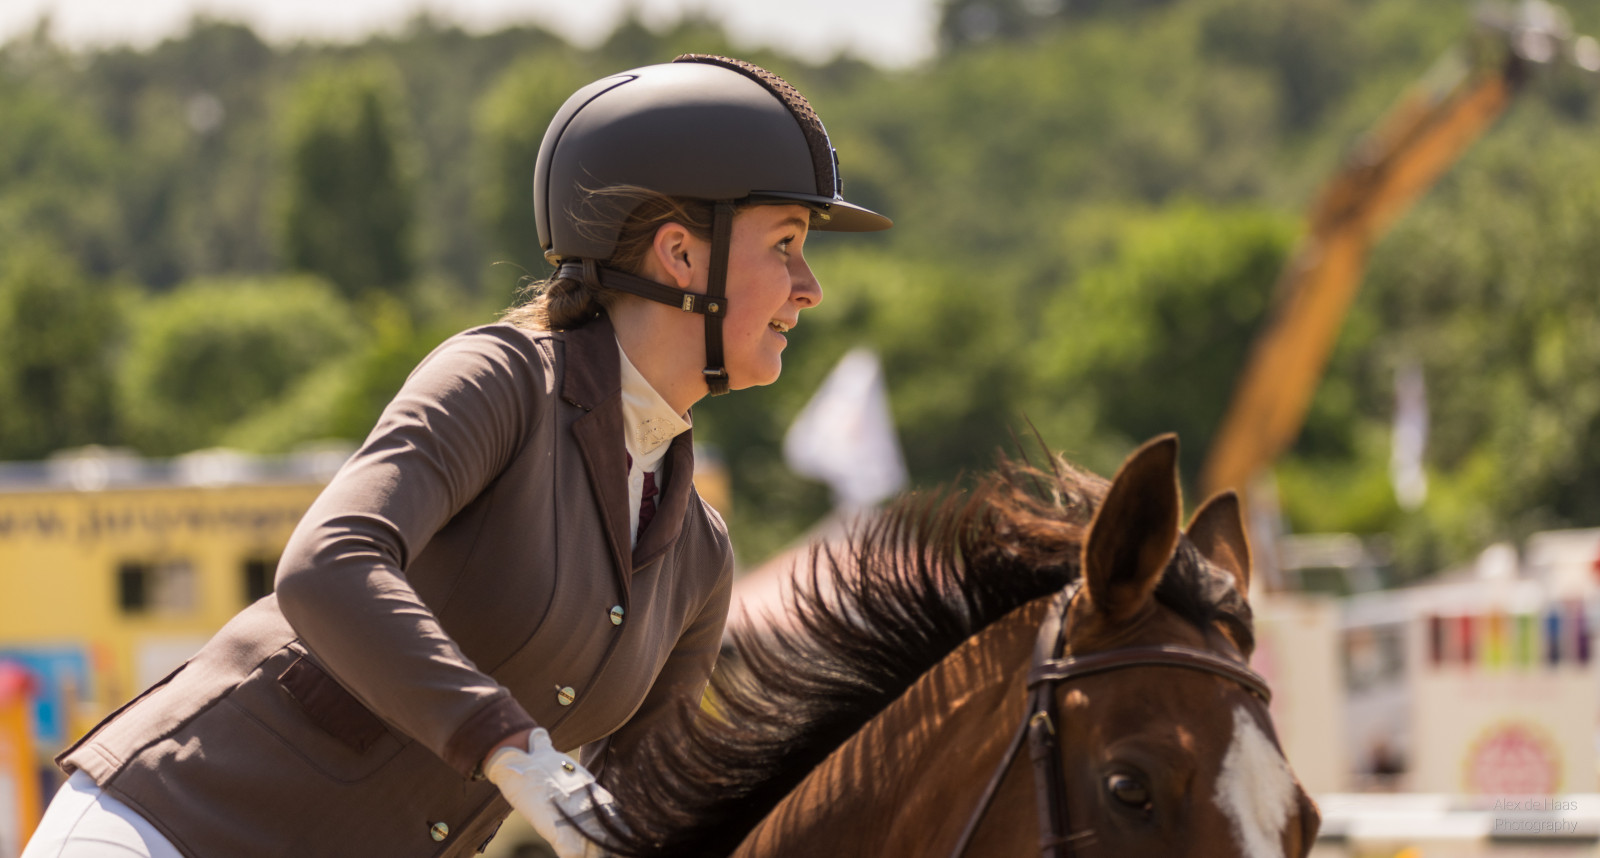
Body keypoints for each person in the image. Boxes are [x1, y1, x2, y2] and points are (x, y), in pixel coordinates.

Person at [22, 53, 889, 858]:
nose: (809, 287)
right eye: (785, 244)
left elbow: (652, 805)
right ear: (679, 252)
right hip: (170, 827)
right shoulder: (499, 378)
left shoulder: (699, 554)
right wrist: (513, 751)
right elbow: (327, 565)